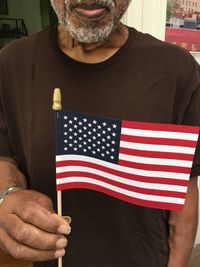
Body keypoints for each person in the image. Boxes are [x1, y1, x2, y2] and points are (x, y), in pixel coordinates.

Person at [0, 0, 199, 266]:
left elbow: (183, 190)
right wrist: (8, 193)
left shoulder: (178, 69)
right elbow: (5, 156)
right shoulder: (12, 63)